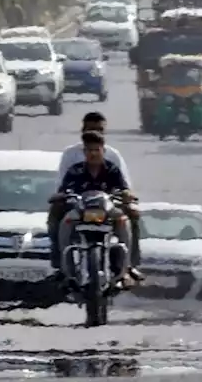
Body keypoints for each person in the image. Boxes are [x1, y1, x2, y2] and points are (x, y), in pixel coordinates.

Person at [58, 112, 141, 275]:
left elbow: (125, 187)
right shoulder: (73, 164)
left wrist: (127, 195)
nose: (93, 153)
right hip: (79, 207)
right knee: (61, 221)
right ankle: (62, 266)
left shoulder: (112, 163)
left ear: (103, 149)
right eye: (89, 150)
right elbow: (62, 186)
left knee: (130, 218)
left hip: (109, 208)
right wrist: (61, 196)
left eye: (97, 150)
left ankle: (128, 266)